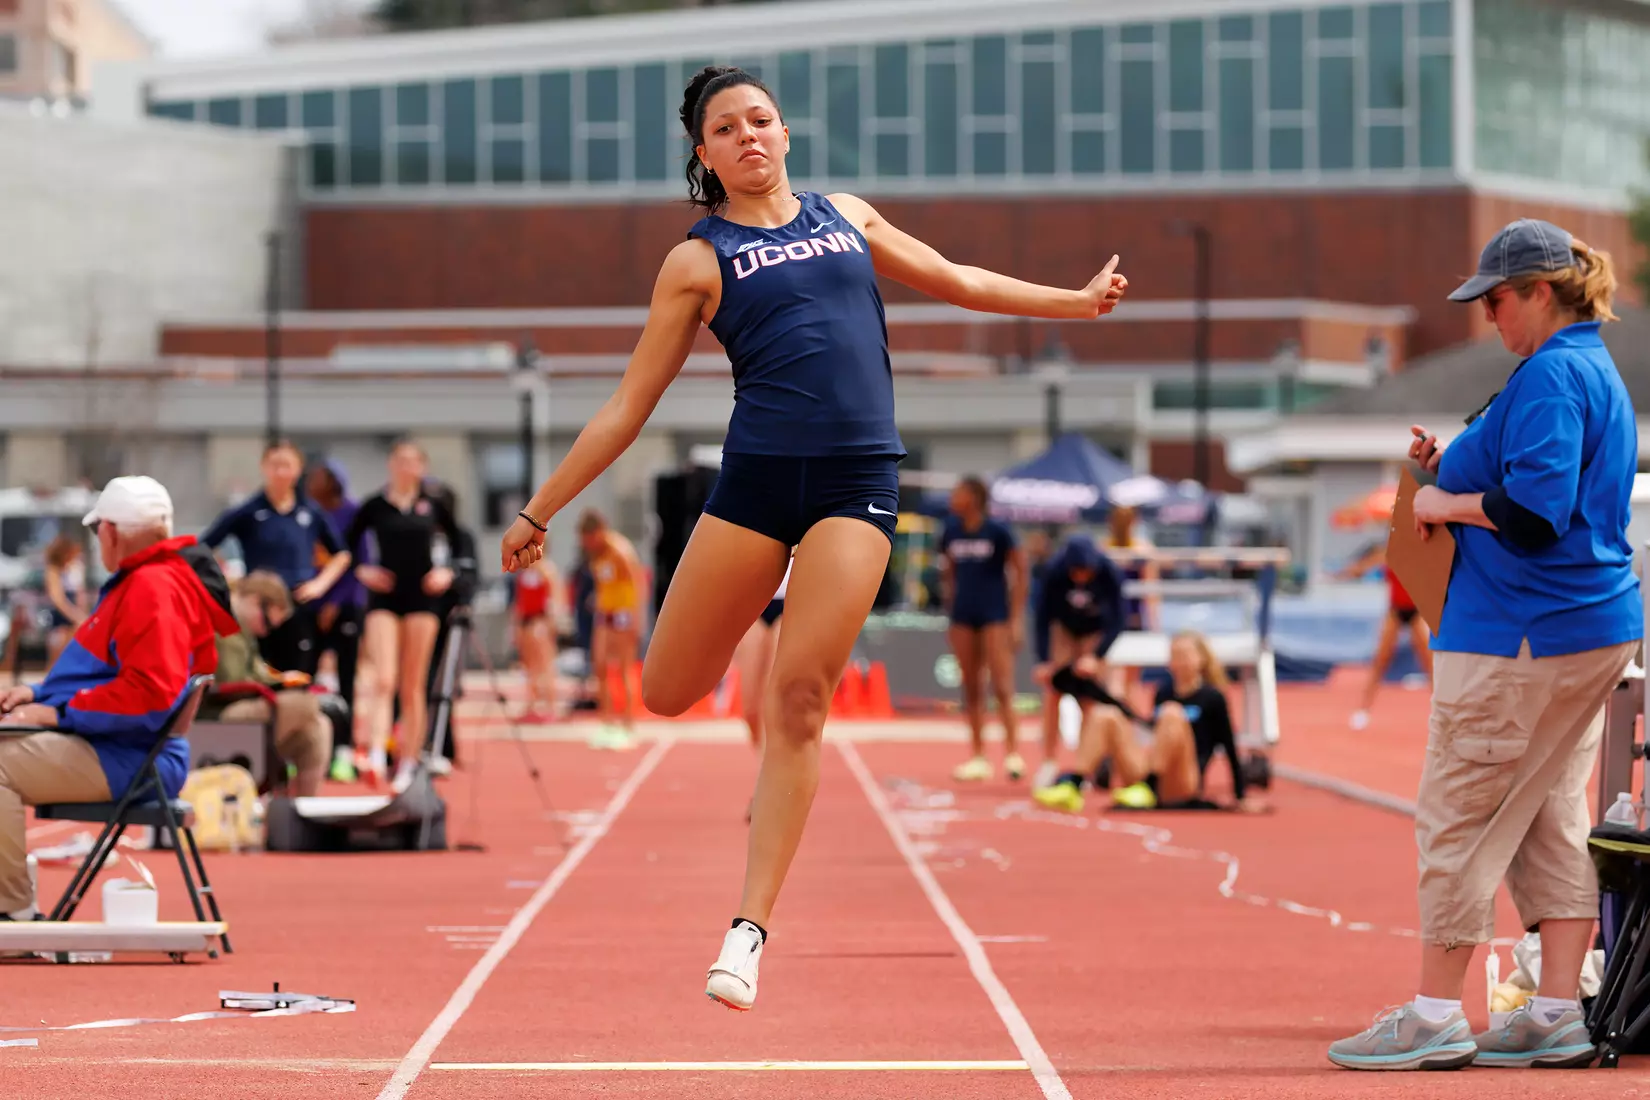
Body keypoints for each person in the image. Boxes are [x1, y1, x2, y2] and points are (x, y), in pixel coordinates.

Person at [498, 64, 1127, 1012]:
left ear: (785, 132)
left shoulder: (848, 216)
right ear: (704, 155)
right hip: (755, 485)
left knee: (798, 699)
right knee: (666, 692)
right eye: (726, 128)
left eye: (760, 119)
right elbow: (629, 406)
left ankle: (747, 930)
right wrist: (538, 510)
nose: (747, 135)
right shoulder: (696, 261)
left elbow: (960, 281)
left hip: (856, 483)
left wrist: (1074, 303)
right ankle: (729, 642)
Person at [1330, 219, 1638, 1070]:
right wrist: (1451, 471)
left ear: (1539, 291)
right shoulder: (1588, 366)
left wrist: (1440, 504)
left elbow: (1536, 514)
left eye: (1496, 300)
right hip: (1582, 627)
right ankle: (1553, 1012)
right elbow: (1537, 488)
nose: (1488, 317)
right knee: (1549, 816)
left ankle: (1435, 1015)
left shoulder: (1549, 374)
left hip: (1519, 633)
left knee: (1457, 817)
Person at [0, 476, 238, 921]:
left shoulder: (152, 588)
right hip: (123, 746)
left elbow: (149, 695)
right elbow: (107, 675)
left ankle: (10, 911)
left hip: (133, 757)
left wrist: (56, 712)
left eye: (97, 531)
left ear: (110, 531)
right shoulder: (149, 580)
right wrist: (37, 694)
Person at [1033, 631, 1262, 814]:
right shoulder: (1164, 692)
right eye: (1175, 656)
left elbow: (1229, 746)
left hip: (1184, 779)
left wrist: (1240, 795)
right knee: (1106, 714)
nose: (1179, 662)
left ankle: (1150, 787)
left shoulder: (1212, 697)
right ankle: (1074, 784)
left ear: (1200, 659)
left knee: (1171, 713)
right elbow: (1154, 732)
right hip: (1152, 766)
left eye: (1185, 655)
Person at [344, 441, 460, 791]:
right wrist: (363, 570)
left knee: (413, 684)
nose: (406, 467)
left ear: (422, 467)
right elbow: (344, 544)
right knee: (384, 678)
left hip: (422, 598)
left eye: (413, 462)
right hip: (385, 595)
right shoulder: (375, 505)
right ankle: (376, 753)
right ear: (391, 465)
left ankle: (409, 761)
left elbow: (461, 545)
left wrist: (448, 572)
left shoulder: (434, 505)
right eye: (400, 460)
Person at [201, 440, 353, 677]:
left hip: (297, 605)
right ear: (264, 467)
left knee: (299, 675)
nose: (281, 472)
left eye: (287, 465)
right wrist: (225, 584)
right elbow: (204, 547)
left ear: (298, 468)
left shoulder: (310, 511)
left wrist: (319, 584)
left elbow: (341, 555)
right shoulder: (249, 511)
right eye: (275, 465)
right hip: (258, 609)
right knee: (257, 673)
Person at [202, 571, 331, 797]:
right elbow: (233, 681)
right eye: (267, 622)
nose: (266, 631)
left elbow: (256, 674)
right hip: (216, 715)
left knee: (318, 728)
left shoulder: (241, 628)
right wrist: (278, 685)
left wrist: (281, 681)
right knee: (307, 703)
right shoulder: (224, 623)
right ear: (254, 601)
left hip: (238, 708)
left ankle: (299, 811)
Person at [938, 476, 1026, 783]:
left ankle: (1013, 753)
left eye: (958, 493)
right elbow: (948, 573)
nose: (952, 498)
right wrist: (951, 610)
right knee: (971, 687)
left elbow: (1020, 571)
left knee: (1002, 685)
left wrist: (1016, 619)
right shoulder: (950, 531)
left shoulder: (998, 531)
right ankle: (978, 756)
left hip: (994, 614)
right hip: (963, 614)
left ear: (974, 497)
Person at [1031, 535, 1129, 789]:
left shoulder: (1108, 571)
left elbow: (1119, 619)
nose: (1082, 578)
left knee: (1090, 698)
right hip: (1064, 629)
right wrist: (1044, 660)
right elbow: (1042, 618)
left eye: (1086, 572)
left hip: (1095, 631)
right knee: (1053, 691)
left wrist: (1096, 656)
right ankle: (1049, 761)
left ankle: (1085, 766)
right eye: (1077, 572)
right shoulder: (1054, 571)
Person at [305, 459, 367, 781]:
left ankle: (343, 751)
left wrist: (335, 602)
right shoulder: (307, 512)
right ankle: (305, 749)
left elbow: (359, 563)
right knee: (302, 679)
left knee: (346, 681)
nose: (311, 481)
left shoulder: (352, 513)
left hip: (345, 607)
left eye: (319, 476)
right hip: (310, 606)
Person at [1337, 542, 1432, 730]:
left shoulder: (1421, 551)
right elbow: (1362, 568)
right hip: (1395, 612)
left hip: (1417, 611)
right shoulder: (1386, 553)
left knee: (1429, 663)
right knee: (1380, 661)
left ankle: (1440, 711)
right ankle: (1363, 709)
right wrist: (1345, 572)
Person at [577, 509, 645, 751]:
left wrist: (638, 619)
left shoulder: (620, 551)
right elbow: (604, 582)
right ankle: (606, 722)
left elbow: (638, 583)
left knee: (625, 669)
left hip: (623, 615)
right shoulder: (595, 554)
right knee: (600, 667)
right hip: (604, 614)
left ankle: (628, 724)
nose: (587, 544)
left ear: (599, 532)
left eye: (589, 539)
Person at [512, 543, 563, 723]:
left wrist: (549, 624)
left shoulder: (547, 570)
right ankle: (532, 704)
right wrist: (516, 626)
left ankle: (551, 706)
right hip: (526, 622)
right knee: (529, 666)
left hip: (540, 621)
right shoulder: (524, 572)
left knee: (545, 664)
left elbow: (555, 599)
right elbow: (520, 601)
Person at [40, 535, 89, 667]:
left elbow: (80, 593)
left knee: (74, 653)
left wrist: (81, 614)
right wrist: (75, 615)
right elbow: (58, 599)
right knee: (57, 654)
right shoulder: (53, 571)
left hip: (74, 611)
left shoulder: (76, 568)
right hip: (60, 615)